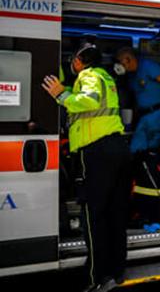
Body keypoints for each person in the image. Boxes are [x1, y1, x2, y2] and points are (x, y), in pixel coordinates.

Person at [42, 43, 131, 292]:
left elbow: (88, 101)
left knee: (94, 217)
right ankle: (117, 271)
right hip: (117, 149)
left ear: (79, 62)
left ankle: (97, 278)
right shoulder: (105, 77)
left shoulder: (89, 75)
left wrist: (61, 95)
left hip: (96, 152)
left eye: (73, 61)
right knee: (115, 215)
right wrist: (64, 89)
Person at [115, 47, 160, 227]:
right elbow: (136, 100)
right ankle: (136, 203)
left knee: (152, 158)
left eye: (120, 62)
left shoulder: (148, 66)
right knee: (133, 155)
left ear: (127, 59)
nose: (119, 66)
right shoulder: (132, 77)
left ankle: (155, 205)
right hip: (143, 120)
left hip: (158, 114)